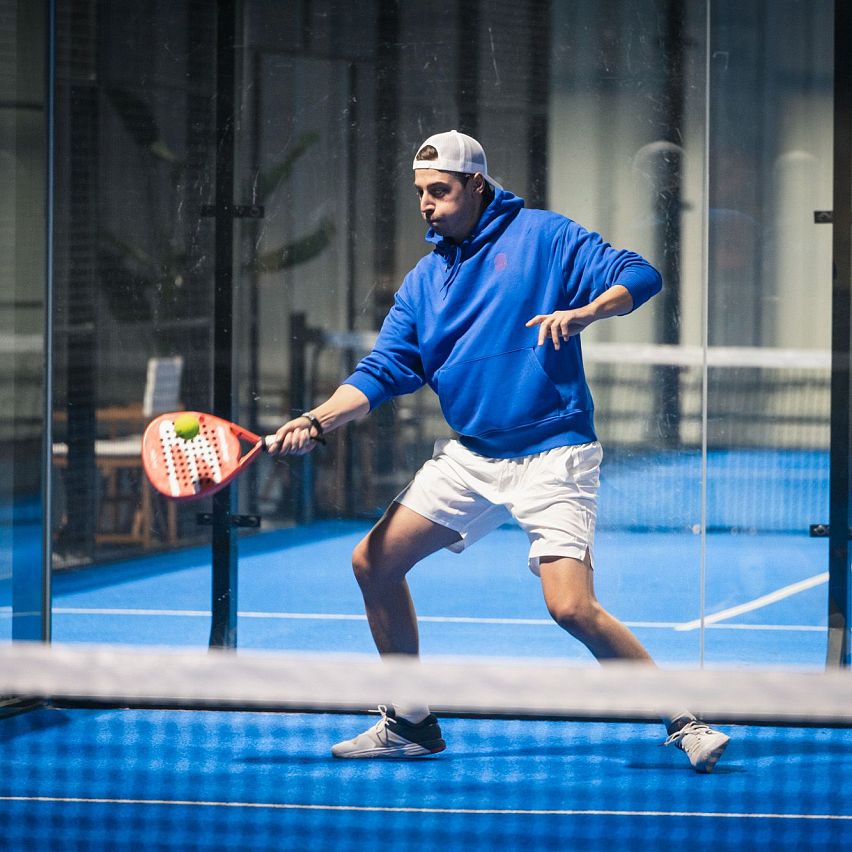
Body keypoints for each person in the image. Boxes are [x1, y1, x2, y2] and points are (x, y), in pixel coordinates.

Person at [269, 130, 730, 773]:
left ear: (477, 185)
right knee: (372, 562)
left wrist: (589, 311)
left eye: (441, 191)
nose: (427, 205)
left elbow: (640, 274)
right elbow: (379, 372)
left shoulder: (544, 238)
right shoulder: (424, 283)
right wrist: (315, 421)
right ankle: (409, 722)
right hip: (473, 457)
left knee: (570, 606)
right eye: (420, 193)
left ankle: (684, 719)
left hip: (555, 452)